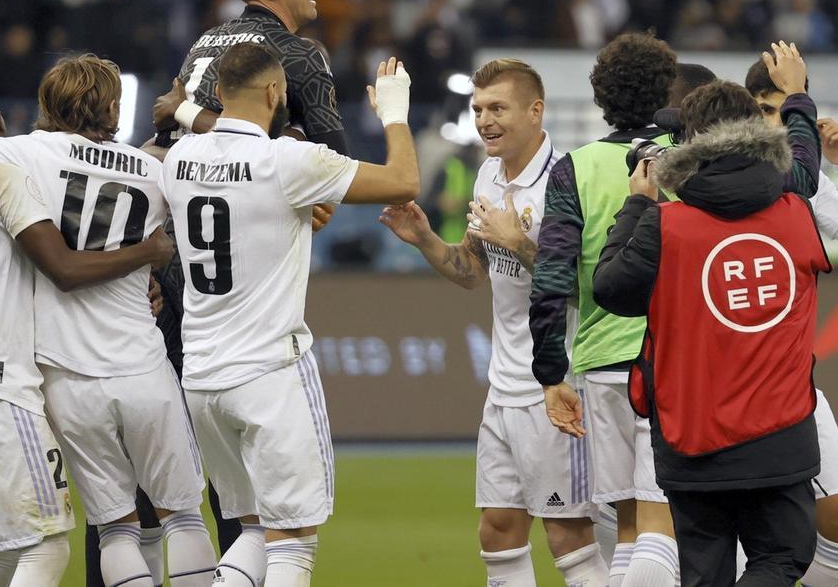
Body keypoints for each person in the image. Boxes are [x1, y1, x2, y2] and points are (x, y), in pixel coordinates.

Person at [0, 55, 216, 587]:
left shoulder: (22, 155)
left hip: (63, 379)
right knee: (183, 515)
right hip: (139, 363)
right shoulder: (152, 171)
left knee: (116, 528)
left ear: (48, 103)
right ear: (114, 108)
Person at [157, 43, 417, 587]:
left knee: (253, 531)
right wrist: (394, 112)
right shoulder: (289, 163)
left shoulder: (180, 160)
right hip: (270, 374)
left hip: (202, 378)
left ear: (220, 94)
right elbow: (403, 182)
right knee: (294, 542)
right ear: (276, 93)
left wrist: (182, 111)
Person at [592, 79, 830, 586]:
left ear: (692, 144)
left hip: (691, 436)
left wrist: (637, 204)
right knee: (784, 557)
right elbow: (803, 168)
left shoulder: (664, 224)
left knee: (705, 573)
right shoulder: (796, 215)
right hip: (779, 433)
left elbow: (610, 290)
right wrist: (797, 102)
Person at [380, 58, 605, 586]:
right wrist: (427, 242)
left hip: (558, 385)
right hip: (503, 389)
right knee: (498, 530)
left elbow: (591, 292)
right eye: (479, 109)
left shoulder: (566, 182)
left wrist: (521, 244)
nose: (484, 120)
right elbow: (473, 272)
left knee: (568, 535)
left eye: (498, 108)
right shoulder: (487, 172)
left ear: (536, 110)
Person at [529, 31, 682, 587]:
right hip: (674, 363)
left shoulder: (576, 168)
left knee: (628, 533)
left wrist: (551, 373)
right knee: (667, 529)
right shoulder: (685, 159)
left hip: (601, 364)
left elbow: (551, 278)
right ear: (668, 89)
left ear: (601, 98)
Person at [744, 58, 838, 586]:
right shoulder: (717, 179)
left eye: (784, 111)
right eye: (762, 110)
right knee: (748, 541)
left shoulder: (805, 183)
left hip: (791, 382)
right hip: (726, 384)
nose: (773, 124)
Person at [153, 0, 347, 156]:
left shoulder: (205, 40)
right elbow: (338, 167)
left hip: (173, 180)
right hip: (234, 187)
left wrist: (186, 112)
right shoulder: (300, 55)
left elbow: (165, 142)